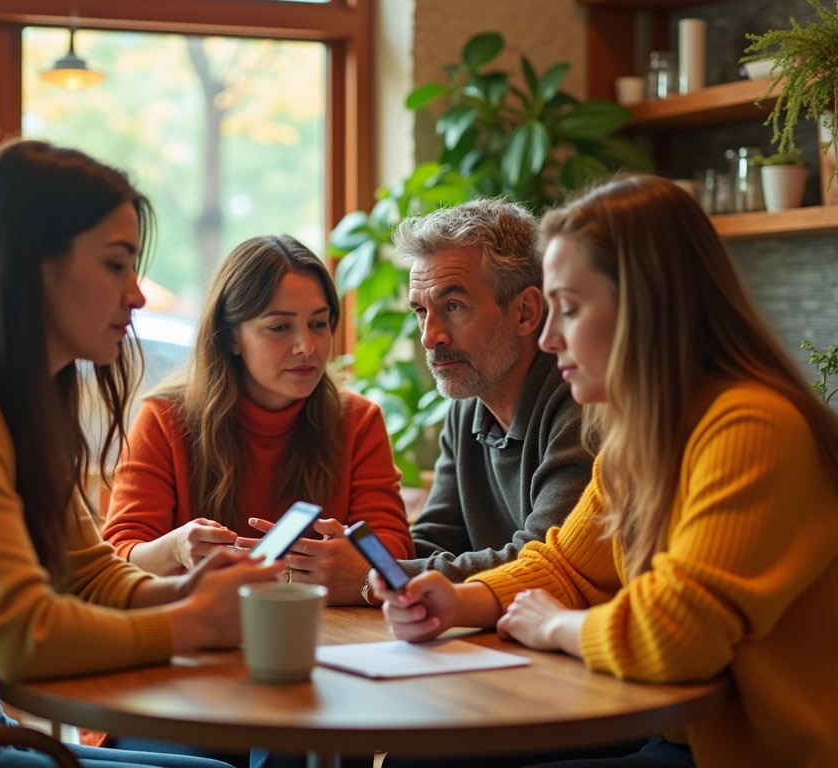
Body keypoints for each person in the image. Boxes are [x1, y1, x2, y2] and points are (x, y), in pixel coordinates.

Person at [0, 140, 281, 768]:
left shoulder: (17, 400)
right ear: (33, 264)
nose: (137, 296)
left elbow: (86, 575)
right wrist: (194, 623)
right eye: (117, 265)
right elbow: (17, 634)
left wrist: (183, 594)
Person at [375, 175, 838, 768]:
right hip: (677, 737)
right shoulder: (641, 434)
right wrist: (461, 602)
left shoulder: (753, 428)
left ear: (644, 306)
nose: (548, 336)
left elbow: (677, 636)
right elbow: (568, 564)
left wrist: (556, 628)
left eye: (568, 308)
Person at [102, 235, 415, 607]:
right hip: (204, 630)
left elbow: (396, 549)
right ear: (232, 336)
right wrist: (174, 549)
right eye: (280, 327)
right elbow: (117, 557)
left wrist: (351, 558)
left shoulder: (357, 419)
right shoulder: (165, 419)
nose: (307, 346)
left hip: (327, 629)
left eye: (319, 324)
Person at [395, 199, 593, 585]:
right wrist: (353, 559)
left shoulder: (582, 404)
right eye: (421, 310)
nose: (429, 337)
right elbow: (438, 538)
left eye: (453, 305)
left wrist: (375, 577)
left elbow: (544, 562)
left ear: (525, 312)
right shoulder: (469, 402)